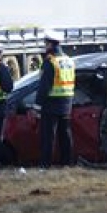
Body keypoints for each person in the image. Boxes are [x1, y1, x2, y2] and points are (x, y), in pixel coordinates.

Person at [34, 31, 75, 168]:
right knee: (65, 136)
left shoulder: (50, 62)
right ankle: (67, 163)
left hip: (51, 104)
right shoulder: (69, 60)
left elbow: (44, 86)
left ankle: (45, 166)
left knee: (48, 137)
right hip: (66, 104)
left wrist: (37, 106)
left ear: (50, 44)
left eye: (45, 43)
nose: (45, 46)